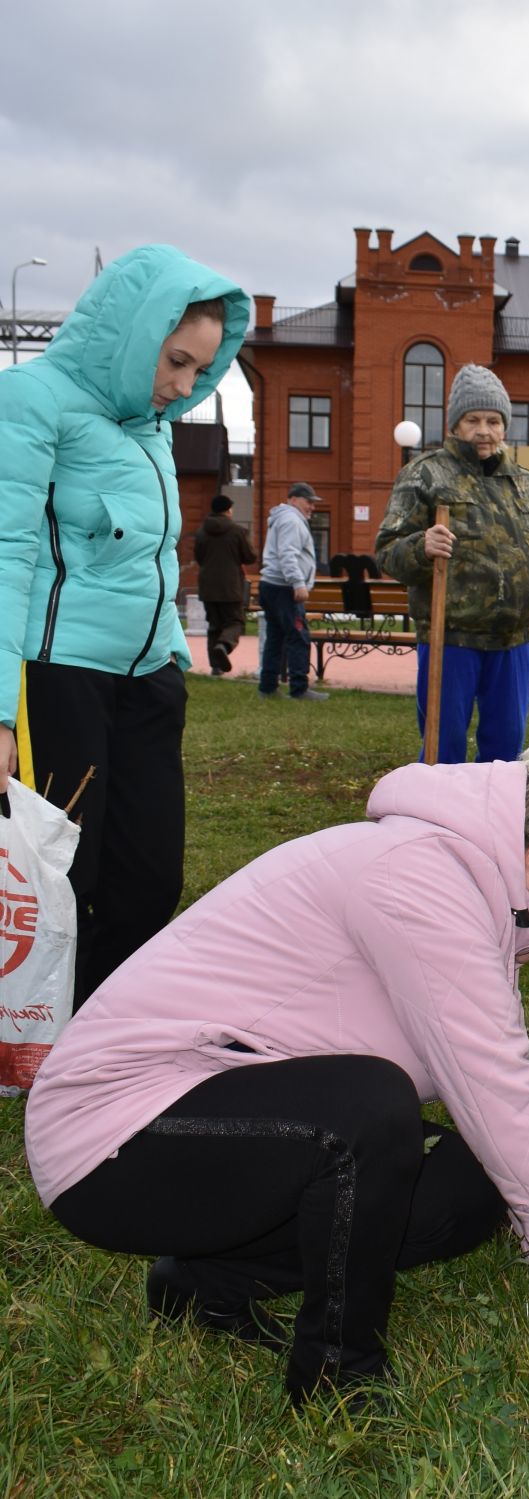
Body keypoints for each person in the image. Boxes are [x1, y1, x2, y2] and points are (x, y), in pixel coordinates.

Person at [23, 743, 529, 1408]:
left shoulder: (457, 885)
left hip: (211, 1108)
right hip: (108, 1135)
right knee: (369, 1113)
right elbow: (496, 1084)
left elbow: (490, 1103)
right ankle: (339, 1374)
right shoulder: (420, 879)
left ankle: (212, 1282)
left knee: (474, 1171)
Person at [0, 244, 249, 1006]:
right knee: (63, 880)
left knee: (149, 880)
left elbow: (149, 557)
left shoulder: (152, 426)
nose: (183, 386)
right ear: (133, 334)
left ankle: (100, 1033)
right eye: (175, 361)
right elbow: (6, 555)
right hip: (61, 681)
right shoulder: (31, 399)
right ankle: (49, 1042)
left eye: (200, 371)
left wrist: (172, 653)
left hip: (148, 684)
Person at [377, 365, 529, 763]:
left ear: (504, 426)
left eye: (493, 420)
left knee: (506, 750)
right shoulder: (425, 475)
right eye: (473, 420)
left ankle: (491, 822)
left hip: (512, 641)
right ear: (455, 424)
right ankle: (440, 821)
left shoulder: (526, 483)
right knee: (444, 748)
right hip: (449, 638)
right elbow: (387, 551)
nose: (484, 430)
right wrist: (422, 546)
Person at [257, 482, 326, 701]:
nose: (312, 507)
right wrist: (298, 583)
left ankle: (267, 688)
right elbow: (287, 553)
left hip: (272, 585)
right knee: (298, 637)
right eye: (309, 502)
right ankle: (299, 688)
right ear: (294, 500)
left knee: (275, 637)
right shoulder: (291, 520)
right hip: (284, 588)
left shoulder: (284, 518)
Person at [193, 494, 256, 676]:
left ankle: (215, 667)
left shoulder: (202, 531)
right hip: (230, 586)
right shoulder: (237, 531)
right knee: (235, 621)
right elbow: (249, 557)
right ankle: (224, 645)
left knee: (214, 625)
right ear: (228, 510)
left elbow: (199, 557)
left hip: (207, 586)